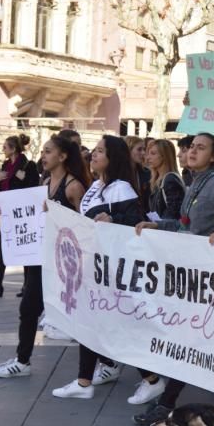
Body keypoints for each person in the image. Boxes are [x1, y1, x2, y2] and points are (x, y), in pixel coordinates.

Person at [131, 132, 214, 425]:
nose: (192, 152)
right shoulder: (195, 183)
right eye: (192, 148)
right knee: (194, 343)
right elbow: (188, 227)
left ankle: (169, 404)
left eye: (201, 148)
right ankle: (177, 403)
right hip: (194, 277)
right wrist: (157, 226)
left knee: (197, 342)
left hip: (212, 279)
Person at [51, 135, 142, 399]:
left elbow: (136, 220)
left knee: (117, 325)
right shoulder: (96, 186)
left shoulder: (121, 188)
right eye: (94, 150)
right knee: (92, 323)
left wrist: (113, 218)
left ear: (113, 158)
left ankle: (150, 378)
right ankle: (84, 382)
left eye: (100, 151)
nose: (94, 155)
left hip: (111, 268)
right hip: (93, 266)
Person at [0, 136, 88, 378]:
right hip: (41, 258)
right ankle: (22, 360)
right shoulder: (44, 182)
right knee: (28, 308)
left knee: (82, 315)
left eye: (48, 151)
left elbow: (85, 226)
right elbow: (29, 211)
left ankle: (105, 364)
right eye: (43, 152)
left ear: (63, 156)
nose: (43, 156)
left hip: (66, 263)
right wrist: (7, 210)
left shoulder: (74, 186)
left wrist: (56, 213)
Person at [125, 139, 186, 407]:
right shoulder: (154, 181)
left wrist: (157, 225)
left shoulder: (170, 181)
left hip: (167, 251)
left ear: (165, 157)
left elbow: (174, 216)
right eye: (146, 152)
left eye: (153, 153)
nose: (147, 157)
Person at [0, 134, 38, 297]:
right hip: (7, 213)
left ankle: (27, 285)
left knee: (24, 248)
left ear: (13, 149)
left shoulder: (29, 166)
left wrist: (24, 178)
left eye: (5, 147)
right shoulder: (5, 165)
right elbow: (1, 186)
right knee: (3, 247)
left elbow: (33, 188)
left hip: (22, 215)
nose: (3, 149)